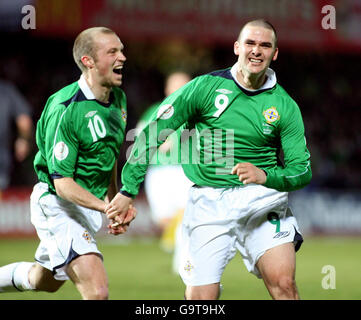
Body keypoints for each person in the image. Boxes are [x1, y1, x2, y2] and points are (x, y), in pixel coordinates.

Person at [106, 19, 312, 300]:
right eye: (250, 43)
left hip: (262, 201)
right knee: (201, 299)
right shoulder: (205, 87)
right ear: (237, 47)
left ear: (274, 53)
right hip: (209, 203)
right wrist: (128, 189)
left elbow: (302, 170)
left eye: (265, 45)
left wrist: (266, 176)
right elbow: (153, 133)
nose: (256, 50)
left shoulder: (285, 106)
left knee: (284, 284)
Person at [0, 27, 135, 299]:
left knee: (44, 280)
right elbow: (62, 184)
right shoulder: (66, 108)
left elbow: (107, 156)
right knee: (97, 291)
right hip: (57, 204)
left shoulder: (118, 98)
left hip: (86, 207)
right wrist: (108, 206)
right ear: (89, 61)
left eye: (121, 49)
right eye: (112, 52)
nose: (122, 57)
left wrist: (114, 199)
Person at [137, 71, 193, 272]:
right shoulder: (154, 111)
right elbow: (139, 137)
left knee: (187, 214)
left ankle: (183, 262)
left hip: (184, 170)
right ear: (167, 88)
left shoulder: (194, 111)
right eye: (175, 84)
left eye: (184, 84)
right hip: (159, 171)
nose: (179, 89)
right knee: (163, 220)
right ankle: (174, 239)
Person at [0, 79, 33, 199]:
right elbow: (24, 121)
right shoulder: (6, 90)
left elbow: (24, 121)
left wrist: (23, 140)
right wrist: (23, 140)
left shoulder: (5, 90)